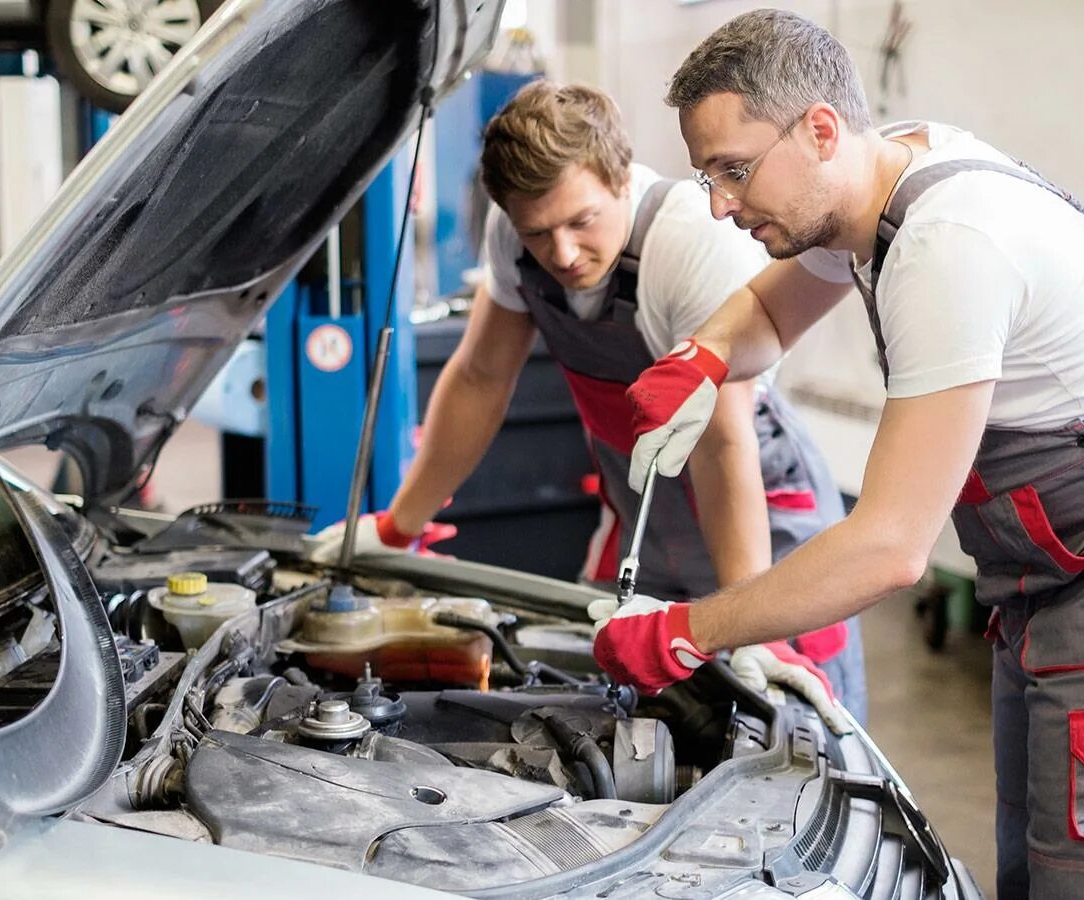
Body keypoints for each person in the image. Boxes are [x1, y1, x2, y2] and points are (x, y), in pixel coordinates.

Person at [589, 9, 1084, 898]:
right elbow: (773, 315)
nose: (721, 205)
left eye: (735, 171)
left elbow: (890, 546)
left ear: (819, 128)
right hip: (1049, 578)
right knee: (1040, 866)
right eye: (707, 176)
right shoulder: (871, 181)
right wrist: (704, 356)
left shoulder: (946, 246)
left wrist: (689, 631)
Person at [312, 80, 866, 725]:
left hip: (759, 510)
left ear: (620, 179)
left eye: (582, 221)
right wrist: (399, 527)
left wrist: (750, 619)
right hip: (641, 508)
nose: (563, 254)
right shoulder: (516, 235)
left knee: (793, 723)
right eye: (540, 232)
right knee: (603, 701)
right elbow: (480, 378)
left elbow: (722, 442)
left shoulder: (688, 246)